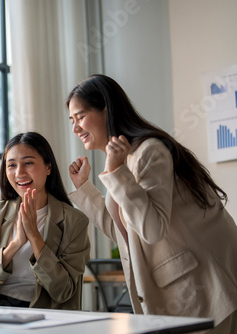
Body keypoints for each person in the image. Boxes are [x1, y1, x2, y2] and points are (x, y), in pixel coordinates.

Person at [66, 74, 237, 333]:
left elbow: (152, 230)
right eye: (72, 121)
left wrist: (114, 173)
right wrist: (84, 188)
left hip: (205, 293)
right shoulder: (123, 161)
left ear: (106, 110)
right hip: (181, 300)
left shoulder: (149, 151)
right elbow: (124, 235)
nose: (75, 128)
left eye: (80, 117)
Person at [0, 132, 90, 310]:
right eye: (12, 165)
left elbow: (64, 291)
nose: (19, 172)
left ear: (48, 167)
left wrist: (34, 236)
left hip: (42, 314)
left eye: (28, 163)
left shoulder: (74, 221)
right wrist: (14, 245)